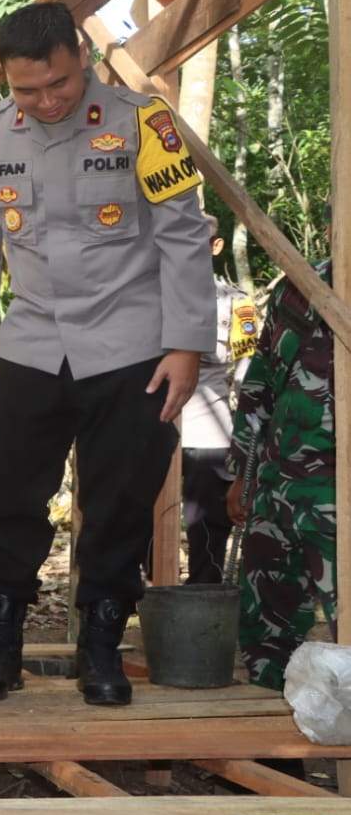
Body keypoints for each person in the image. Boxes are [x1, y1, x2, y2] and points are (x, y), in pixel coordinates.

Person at [0, 2, 214, 706]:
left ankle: (98, 643)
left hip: (132, 346)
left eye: (58, 84)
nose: (44, 102)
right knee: (7, 496)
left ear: (83, 59)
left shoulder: (141, 123)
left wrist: (186, 344)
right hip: (34, 343)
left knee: (119, 502)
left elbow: (183, 236)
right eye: (25, 90)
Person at [225, 260, 334, 690]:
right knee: (265, 627)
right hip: (278, 484)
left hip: (338, 490)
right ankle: (275, 751)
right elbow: (262, 381)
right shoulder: (297, 285)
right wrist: (242, 477)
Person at [173, 216, 255, 583]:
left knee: (207, 523)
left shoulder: (239, 304)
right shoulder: (150, 296)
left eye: (200, 241)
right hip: (151, 420)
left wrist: (245, 437)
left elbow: (247, 370)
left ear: (216, 246)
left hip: (208, 426)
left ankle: (202, 598)